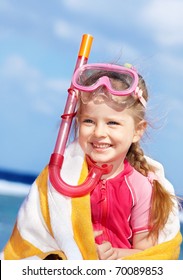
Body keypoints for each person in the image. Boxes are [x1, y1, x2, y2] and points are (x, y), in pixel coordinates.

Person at [0, 63, 182, 260]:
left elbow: (149, 255)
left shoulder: (141, 188)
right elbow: (37, 233)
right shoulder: (63, 176)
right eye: (89, 121)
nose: (99, 133)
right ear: (77, 122)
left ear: (137, 130)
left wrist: (114, 254)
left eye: (112, 123)